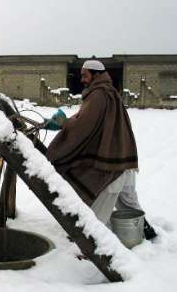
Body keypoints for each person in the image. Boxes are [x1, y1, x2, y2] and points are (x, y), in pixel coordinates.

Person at [44, 60, 157, 240]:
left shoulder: (98, 94)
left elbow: (84, 124)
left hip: (112, 163)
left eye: (85, 75)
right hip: (124, 157)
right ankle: (145, 231)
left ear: (96, 75)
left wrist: (64, 124)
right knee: (128, 202)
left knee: (100, 209)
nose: (82, 79)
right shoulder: (110, 92)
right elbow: (90, 118)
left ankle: (93, 242)